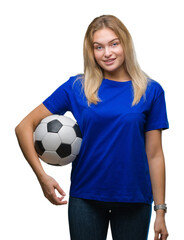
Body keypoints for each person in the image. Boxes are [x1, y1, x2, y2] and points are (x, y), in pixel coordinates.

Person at [15, 15, 169, 240]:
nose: (107, 53)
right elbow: (23, 127)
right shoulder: (77, 87)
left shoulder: (151, 91)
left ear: (125, 44)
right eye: (99, 47)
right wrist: (42, 177)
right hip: (85, 198)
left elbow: (154, 154)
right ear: (91, 52)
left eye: (114, 44)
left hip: (134, 199)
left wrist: (160, 210)